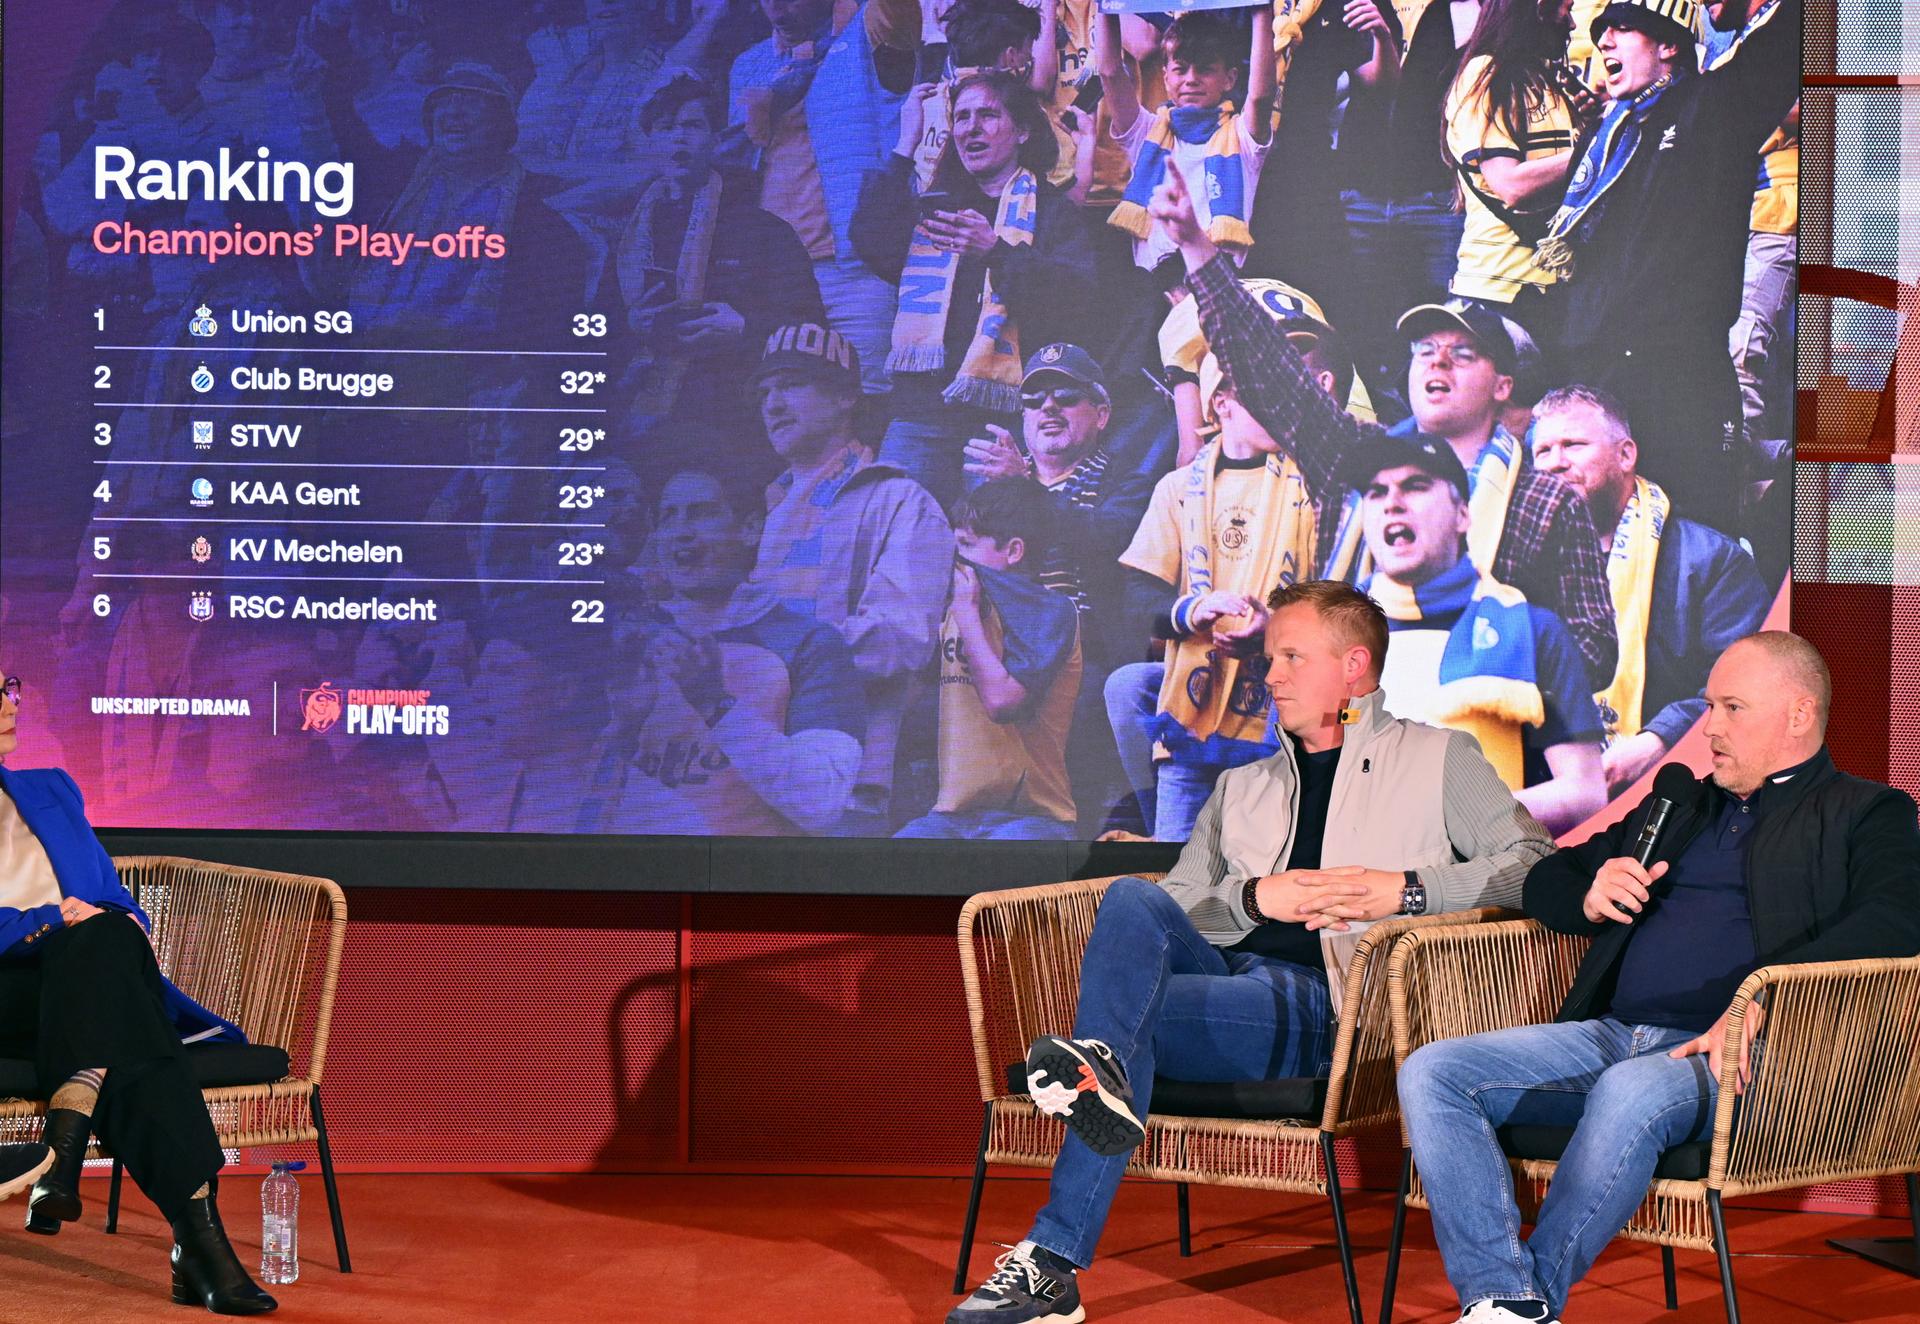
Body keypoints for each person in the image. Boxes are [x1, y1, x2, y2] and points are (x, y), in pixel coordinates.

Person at [948, 581, 1556, 1323]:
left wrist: (1404, 889)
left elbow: (1532, 865)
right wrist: (1252, 900)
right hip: (1226, 987)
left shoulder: (1438, 759)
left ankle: (1059, 1232)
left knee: (1118, 1034)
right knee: (1134, 900)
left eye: (1292, 657)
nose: (1269, 677)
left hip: (1330, 1008)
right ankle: (1097, 1079)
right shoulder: (1241, 787)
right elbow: (1180, 906)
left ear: (1355, 667)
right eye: (1271, 659)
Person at [1399, 631, 1920, 1324]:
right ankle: (1501, 1292)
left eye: (1732, 708)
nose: (1711, 730)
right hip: (1613, 1034)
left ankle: (1525, 1304)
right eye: (1709, 708)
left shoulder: (1867, 812)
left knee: (1630, 1088)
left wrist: (1769, 990)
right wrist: (1586, 895)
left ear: (1798, 715)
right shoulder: (1679, 805)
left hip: (1742, 1055)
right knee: (1435, 1070)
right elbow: (1549, 873)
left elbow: (1896, 918)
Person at [1146, 163, 1619, 689]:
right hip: (1352, 731)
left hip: (1485, 749)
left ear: (1503, 385)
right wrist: (1195, 247)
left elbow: (1594, 652)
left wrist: (1463, 646)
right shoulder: (1358, 457)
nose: (1437, 363)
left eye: (1461, 353)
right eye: (1424, 351)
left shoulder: (1547, 500)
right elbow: (1268, 370)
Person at [0, 670, 277, 1313]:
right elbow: (75, 920)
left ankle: (63, 1156)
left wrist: (110, 924)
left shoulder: (51, 791)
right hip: (12, 994)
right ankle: (199, 1244)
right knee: (114, 997)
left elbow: (119, 906)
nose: (10, 702)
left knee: (108, 948)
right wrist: (49, 923)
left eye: (9, 687)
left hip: (83, 987)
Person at [1534, 0, 1802, 536]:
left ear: (1670, 45)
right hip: (1599, 379)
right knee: (1599, 545)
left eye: (1622, 28)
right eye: (1600, 31)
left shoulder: (1716, 108)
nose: (1604, 41)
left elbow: (1790, 35)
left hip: (1681, 380)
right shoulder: (1606, 138)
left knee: (1696, 539)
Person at [853, 69, 1097, 505]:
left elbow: (1078, 305)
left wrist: (995, 251)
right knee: (893, 544)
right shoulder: (937, 205)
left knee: (988, 555)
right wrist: (903, 146)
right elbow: (869, 241)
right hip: (918, 414)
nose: (971, 128)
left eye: (987, 115)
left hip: (999, 423)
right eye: (961, 118)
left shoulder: (1053, 210)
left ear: (1022, 130)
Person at [1109, 337, 1319, 843]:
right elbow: (1135, 605)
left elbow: (1347, 597)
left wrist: (1275, 632)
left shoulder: (1316, 484)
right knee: (1176, 877)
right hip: (1195, 705)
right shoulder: (1178, 487)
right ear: (1220, 402)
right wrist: (1195, 610)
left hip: (1284, 701)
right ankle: (1152, 814)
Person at [580, 467, 866, 836]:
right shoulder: (626, 646)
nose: (681, 531)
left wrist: (715, 705)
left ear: (749, 529)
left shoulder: (811, 645)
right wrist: (625, 726)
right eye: (669, 516)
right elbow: (569, 800)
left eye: (701, 513)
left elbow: (821, 803)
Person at [747, 323, 952, 832]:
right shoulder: (763, 511)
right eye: (765, 391)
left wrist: (763, 648)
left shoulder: (902, 501)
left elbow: (899, 641)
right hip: (743, 772)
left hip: (842, 783)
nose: (772, 404)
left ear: (844, 397)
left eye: (792, 384)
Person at [1352, 433, 1607, 833]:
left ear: (1462, 516)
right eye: (1376, 492)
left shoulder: (1533, 630)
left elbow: (1586, 795)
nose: (1393, 503)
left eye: (1416, 486)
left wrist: (1456, 815)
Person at [1529, 385, 1770, 793]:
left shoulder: (1712, 561)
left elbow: (1752, 688)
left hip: (1674, 792)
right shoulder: (1511, 568)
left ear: (1626, 454)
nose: (1556, 463)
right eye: (1543, 452)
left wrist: (1658, 741)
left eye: (1572, 445)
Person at [615, 72, 824, 452]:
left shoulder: (763, 230)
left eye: (692, 125)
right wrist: (629, 325)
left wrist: (745, 327)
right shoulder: (626, 237)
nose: (678, 137)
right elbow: (588, 326)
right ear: (650, 142)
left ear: (716, 138)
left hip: (732, 414)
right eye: (665, 128)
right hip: (637, 416)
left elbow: (810, 326)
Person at [728, 0, 920, 402]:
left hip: (853, 269)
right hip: (778, 275)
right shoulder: (749, 64)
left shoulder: (866, 34)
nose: (777, 7)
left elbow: (898, 14)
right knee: (792, 408)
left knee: (869, 400)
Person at [897, 478, 1082, 840]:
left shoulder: (1051, 611)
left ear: (1014, 552)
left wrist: (967, 615)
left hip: (1034, 819)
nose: (955, 559)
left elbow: (1002, 702)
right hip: (951, 817)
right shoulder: (951, 605)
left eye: (966, 545)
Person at [1333, 0, 1480, 396]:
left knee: (1445, 323)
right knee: (1365, 326)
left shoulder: (1465, 9)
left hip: (1435, 191)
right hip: (1360, 190)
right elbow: (1368, 83)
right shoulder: (1354, 4)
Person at [1439, 0, 1584, 327]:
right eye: (1566, 8)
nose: (1572, 24)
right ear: (1539, 7)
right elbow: (1512, 186)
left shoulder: (1545, 81)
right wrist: (1596, 151)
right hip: (1498, 293)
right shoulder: (1484, 74)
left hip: (1551, 292)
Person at [1100, 6, 1277, 272]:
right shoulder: (1146, 131)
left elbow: (1261, 96)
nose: (1191, 79)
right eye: (1181, 69)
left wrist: (1262, 9)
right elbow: (1110, 73)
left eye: (1205, 70)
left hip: (1220, 286)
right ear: (1166, 77)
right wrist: (1105, 7)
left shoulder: (1241, 136)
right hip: (1153, 291)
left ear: (1229, 79)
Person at [1704, 0, 1798, 449]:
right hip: (1739, 214)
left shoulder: (1797, 22)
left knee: (1740, 355)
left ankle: (1737, 494)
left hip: (1780, 213)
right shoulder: (1746, 36)